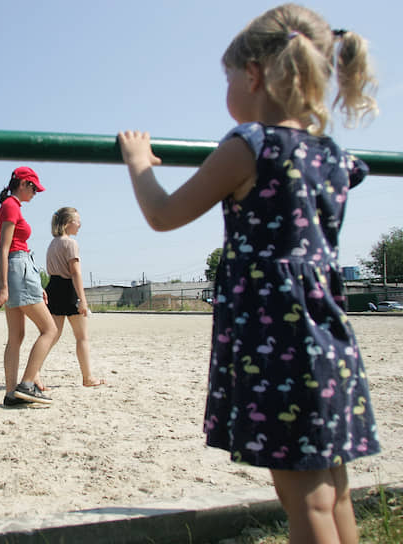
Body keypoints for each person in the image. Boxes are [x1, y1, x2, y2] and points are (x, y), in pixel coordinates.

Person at [118, 4, 379, 543]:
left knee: (301, 495)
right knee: (332, 484)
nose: (228, 90)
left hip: (277, 337)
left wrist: (139, 162)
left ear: (255, 74)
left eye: (228, 78)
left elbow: (165, 215)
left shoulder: (250, 146)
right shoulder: (333, 155)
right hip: (328, 332)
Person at [0, 166, 58, 407]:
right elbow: (5, 248)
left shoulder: (9, 206)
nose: (35, 193)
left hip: (19, 270)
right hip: (18, 268)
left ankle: (11, 394)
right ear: (23, 184)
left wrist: (9, 284)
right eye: (34, 188)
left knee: (16, 336)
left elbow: (6, 251)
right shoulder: (11, 206)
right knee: (49, 330)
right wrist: (4, 287)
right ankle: (27, 383)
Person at [45, 207, 105, 387]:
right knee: (81, 337)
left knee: (50, 336)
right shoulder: (70, 244)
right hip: (68, 289)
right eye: (77, 221)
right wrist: (83, 300)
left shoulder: (52, 243)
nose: (80, 225)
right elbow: (76, 273)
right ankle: (88, 377)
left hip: (53, 288)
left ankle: (34, 374)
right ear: (68, 223)